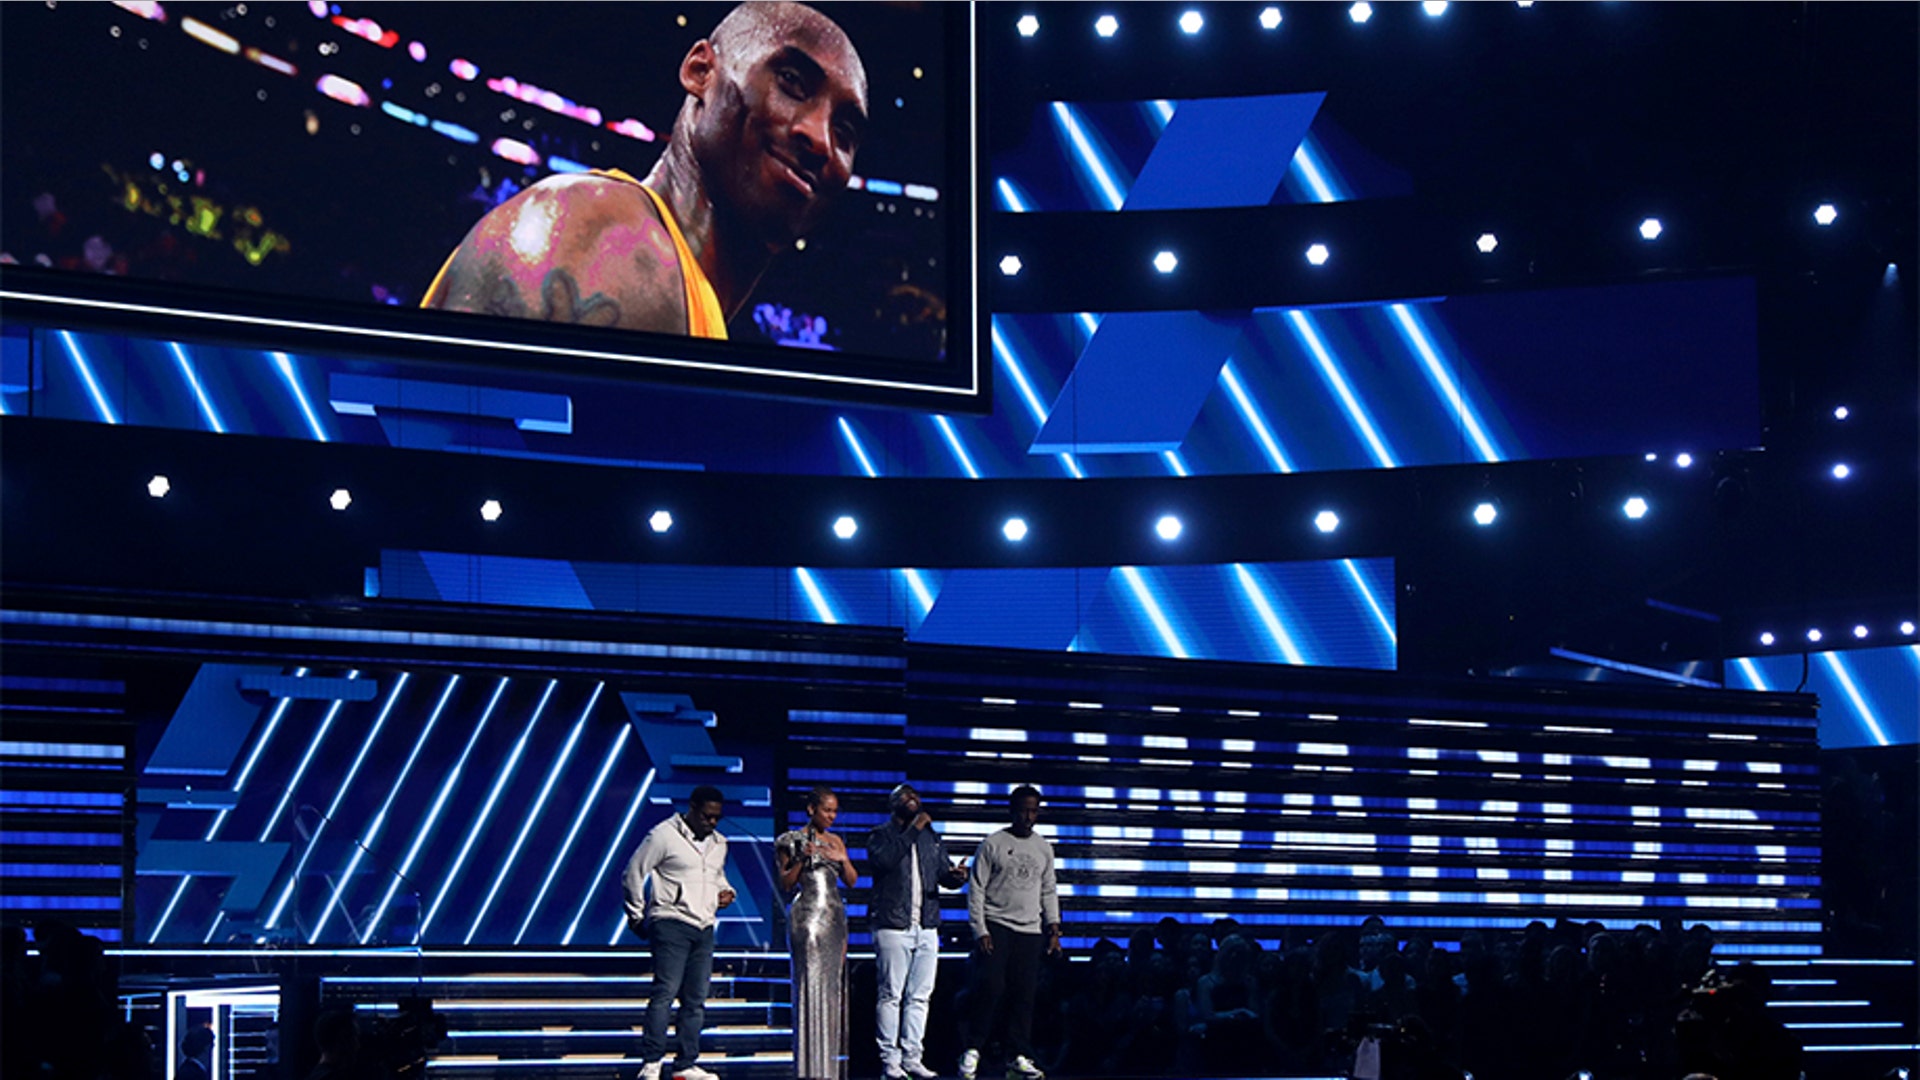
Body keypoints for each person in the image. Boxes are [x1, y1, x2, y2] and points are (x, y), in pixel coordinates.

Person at [422, 2, 868, 340]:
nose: (820, 139)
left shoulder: (679, 285)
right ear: (700, 71)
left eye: (844, 131)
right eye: (792, 82)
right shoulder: (617, 245)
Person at [624, 785, 737, 1080]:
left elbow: (716, 876)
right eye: (707, 816)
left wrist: (726, 891)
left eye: (717, 817)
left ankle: (685, 1064)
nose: (712, 822)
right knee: (665, 992)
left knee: (696, 999)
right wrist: (637, 915)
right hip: (670, 921)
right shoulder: (664, 835)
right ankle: (652, 1062)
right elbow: (634, 871)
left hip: (704, 925)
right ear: (692, 808)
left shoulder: (719, 843)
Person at [866, 783, 968, 1079]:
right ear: (893, 803)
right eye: (906, 795)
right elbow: (885, 861)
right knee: (891, 994)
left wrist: (956, 877)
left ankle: (913, 1057)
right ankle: (890, 1060)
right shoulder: (881, 835)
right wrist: (914, 829)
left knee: (920, 996)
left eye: (916, 795)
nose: (913, 799)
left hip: (926, 924)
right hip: (892, 923)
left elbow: (943, 875)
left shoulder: (930, 837)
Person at [961, 786, 1060, 1080]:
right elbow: (976, 889)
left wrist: (1054, 928)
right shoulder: (993, 844)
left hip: (1030, 929)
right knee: (991, 987)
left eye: (1033, 811)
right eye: (1023, 810)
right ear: (1012, 810)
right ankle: (973, 1048)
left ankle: (1017, 1055)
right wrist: (980, 930)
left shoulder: (1043, 847)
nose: (1028, 817)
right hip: (997, 924)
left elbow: (1049, 889)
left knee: (1024, 994)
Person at [775, 787, 858, 1080]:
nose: (831, 816)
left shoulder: (836, 841)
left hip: (833, 918)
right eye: (827, 810)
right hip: (807, 918)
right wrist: (802, 858)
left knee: (832, 987)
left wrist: (843, 858)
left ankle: (828, 1069)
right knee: (809, 983)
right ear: (811, 809)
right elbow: (786, 883)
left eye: (835, 811)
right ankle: (807, 1069)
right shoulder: (790, 840)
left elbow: (851, 880)